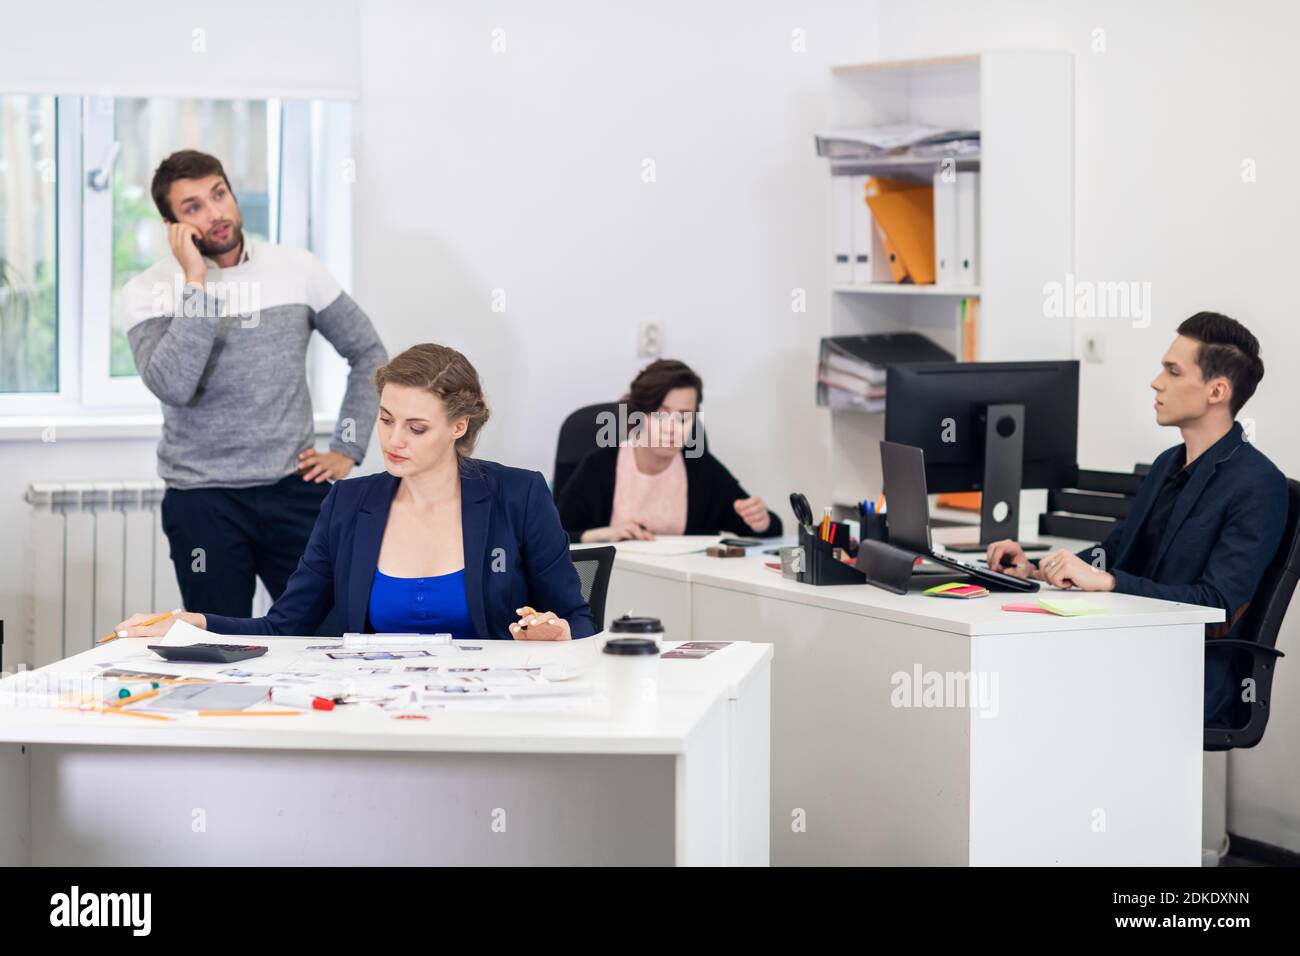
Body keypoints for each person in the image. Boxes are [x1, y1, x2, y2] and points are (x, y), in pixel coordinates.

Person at [114, 344, 594, 641]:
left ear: (458, 427)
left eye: (417, 427)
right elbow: (284, 627)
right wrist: (190, 622)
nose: (393, 440)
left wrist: (559, 632)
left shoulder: (519, 495)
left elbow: (580, 619)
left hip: (492, 713)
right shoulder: (349, 503)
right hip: (374, 710)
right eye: (385, 420)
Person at [122, 149, 388, 621]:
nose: (216, 213)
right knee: (220, 643)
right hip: (203, 500)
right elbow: (175, 385)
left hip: (295, 489)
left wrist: (347, 448)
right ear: (172, 226)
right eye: (194, 207)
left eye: (219, 194)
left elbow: (368, 353)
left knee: (330, 628)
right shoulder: (147, 292)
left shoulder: (297, 268)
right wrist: (196, 283)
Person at [986, 312, 1288, 723]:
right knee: (1013, 669)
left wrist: (1110, 582)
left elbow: (1217, 609)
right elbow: (1116, 551)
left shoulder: (1258, 484)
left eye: (1173, 371)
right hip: (1132, 648)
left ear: (1217, 390)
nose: (1156, 381)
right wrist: (1037, 569)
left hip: (1190, 672)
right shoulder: (1167, 464)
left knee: (1030, 686)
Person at [558, 359, 783, 542]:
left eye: (684, 418)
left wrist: (761, 521)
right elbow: (553, 535)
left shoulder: (701, 469)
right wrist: (602, 534)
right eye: (660, 415)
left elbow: (769, 528)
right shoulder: (600, 466)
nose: (671, 428)